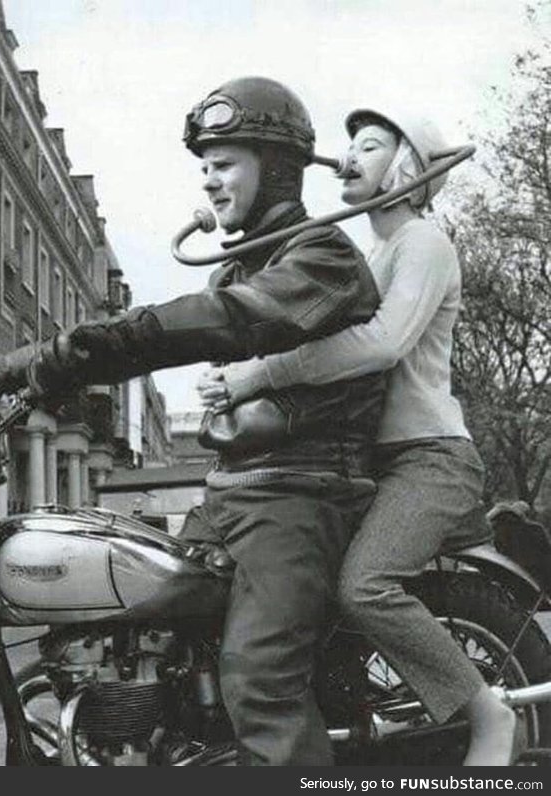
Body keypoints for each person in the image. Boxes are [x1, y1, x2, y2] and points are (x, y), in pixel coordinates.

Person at [0, 77, 387, 766]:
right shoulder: (243, 265)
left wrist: (39, 362)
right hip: (238, 492)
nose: (209, 183)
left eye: (225, 163)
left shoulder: (319, 258)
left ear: (276, 167)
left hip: (301, 495)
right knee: (142, 619)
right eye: (204, 167)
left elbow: (208, 325)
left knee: (260, 683)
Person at [197, 107, 518, 766]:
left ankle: (489, 714)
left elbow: (381, 343)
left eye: (369, 145)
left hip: (429, 458)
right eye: (348, 144)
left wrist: (258, 375)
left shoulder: (422, 243)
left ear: (405, 170)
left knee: (364, 587)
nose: (349, 155)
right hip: (373, 460)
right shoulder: (372, 253)